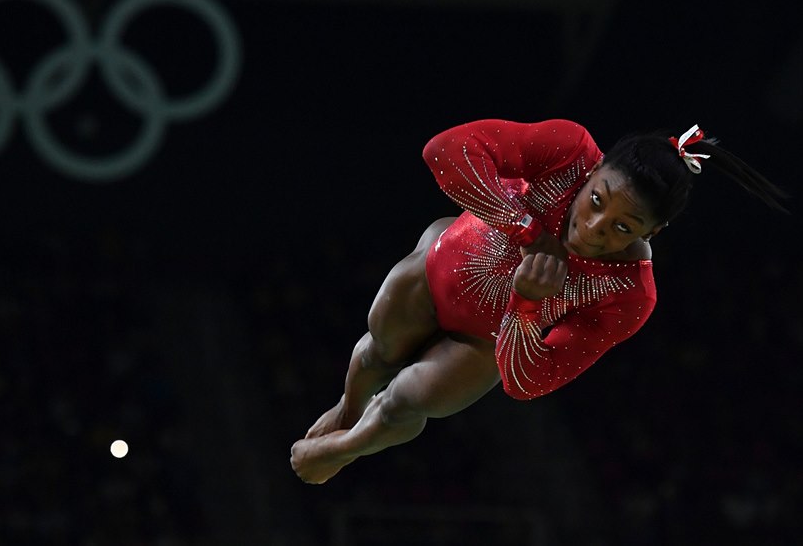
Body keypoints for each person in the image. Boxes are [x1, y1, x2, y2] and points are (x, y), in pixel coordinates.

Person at [289, 118, 789, 484]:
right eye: (597, 200)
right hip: (445, 259)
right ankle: (348, 407)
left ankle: (348, 446)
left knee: (410, 400)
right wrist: (525, 227)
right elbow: (444, 151)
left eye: (623, 228)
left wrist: (526, 305)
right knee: (379, 349)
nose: (592, 230)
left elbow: (529, 382)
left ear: (654, 232)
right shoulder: (568, 150)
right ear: (595, 170)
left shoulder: (630, 293)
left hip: (484, 342)